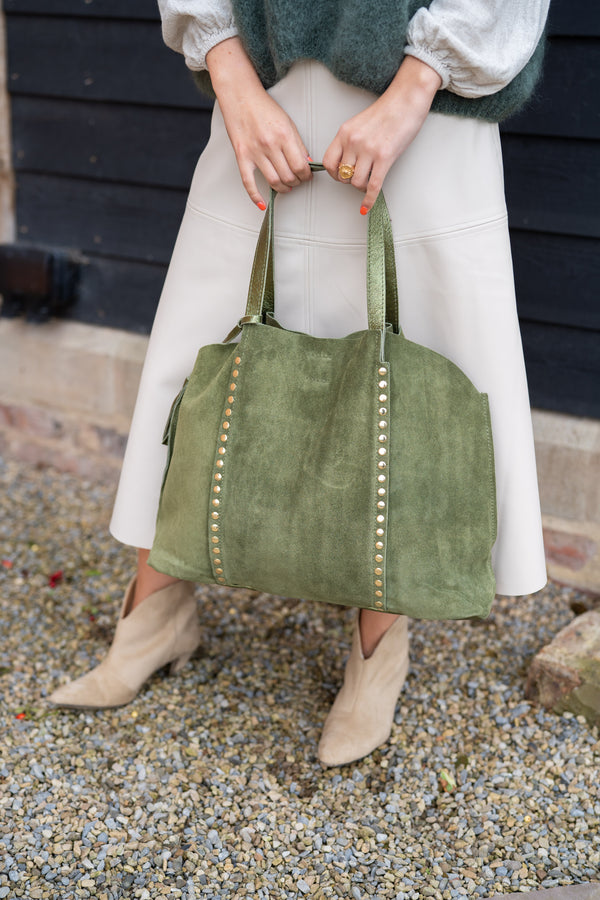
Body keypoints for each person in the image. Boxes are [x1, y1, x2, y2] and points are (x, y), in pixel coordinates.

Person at [49, 0, 550, 766]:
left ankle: (376, 648)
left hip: (423, 103)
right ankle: (154, 616)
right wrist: (233, 83)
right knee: (203, 349)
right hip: (260, 90)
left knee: (412, 374)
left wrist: (415, 90)